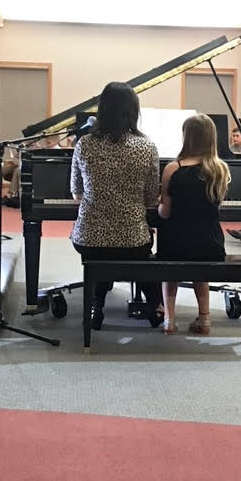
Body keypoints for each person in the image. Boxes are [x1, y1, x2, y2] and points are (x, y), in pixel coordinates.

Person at [70, 81, 163, 330]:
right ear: (133, 111)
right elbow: (151, 198)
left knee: (101, 252)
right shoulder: (147, 146)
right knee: (140, 251)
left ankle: (96, 304)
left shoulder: (84, 144)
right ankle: (155, 304)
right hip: (133, 240)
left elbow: (77, 194)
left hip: (88, 238)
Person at [158, 114, 230, 335]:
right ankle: (205, 320)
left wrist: (158, 205)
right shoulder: (220, 169)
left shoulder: (173, 168)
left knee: (170, 263)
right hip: (211, 245)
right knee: (200, 259)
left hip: (176, 246)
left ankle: (169, 321)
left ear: (186, 137)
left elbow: (165, 213)